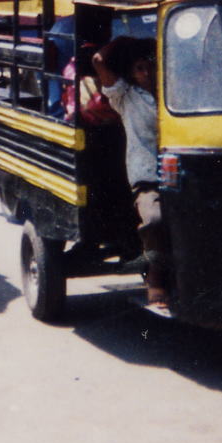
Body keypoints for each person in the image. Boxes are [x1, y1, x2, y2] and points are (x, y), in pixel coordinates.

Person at [91, 36, 169, 308]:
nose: (146, 74)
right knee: (156, 221)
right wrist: (124, 40)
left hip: (184, 176)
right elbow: (99, 61)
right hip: (148, 179)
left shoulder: (174, 95)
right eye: (139, 69)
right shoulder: (125, 97)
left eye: (150, 67)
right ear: (130, 73)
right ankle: (155, 280)